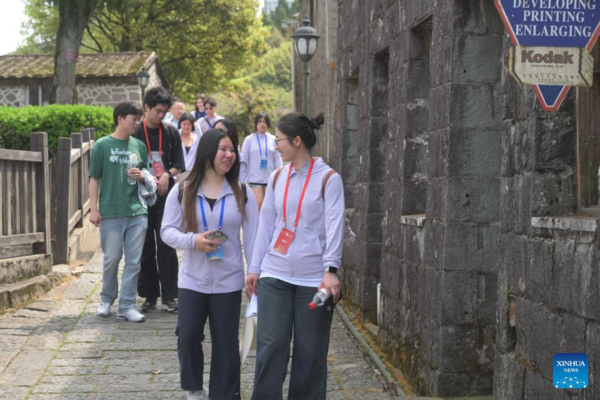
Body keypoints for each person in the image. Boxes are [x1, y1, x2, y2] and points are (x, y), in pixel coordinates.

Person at [247, 112, 345, 400]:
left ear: (297, 140)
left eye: (279, 140)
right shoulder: (277, 177)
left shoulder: (329, 179)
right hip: (274, 275)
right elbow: (266, 225)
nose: (276, 146)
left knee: (310, 353)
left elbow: (335, 225)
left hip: (314, 280)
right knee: (271, 348)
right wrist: (255, 269)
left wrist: (331, 270)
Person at [161, 129, 259, 400]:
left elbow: (253, 237)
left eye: (232, 150)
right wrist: (193, 241)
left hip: (228, 280)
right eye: (223, 149)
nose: (230, 155)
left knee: (227, 346)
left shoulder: (242, 191)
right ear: (207, 153)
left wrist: (254, 271)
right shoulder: (183, 189)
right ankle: (194, 389)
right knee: (188, 335)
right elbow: (167, 231)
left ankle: (225, 395)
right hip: (193, 279)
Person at [89, 101, 150, 323]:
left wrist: (143, 176)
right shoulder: (102, 146)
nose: (137, 122)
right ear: (120, 119)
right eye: (134, 118)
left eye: (138, 118)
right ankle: (106, 300)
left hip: (137, 211)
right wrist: (93, 209)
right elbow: (94, 178)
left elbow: (148, 175)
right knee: (112, 258)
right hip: (111, 212)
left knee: (134, 261)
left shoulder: (139, 146)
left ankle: (126, 305)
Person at [134, 87, 185, 313]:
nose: (161, 115)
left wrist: (167, 173)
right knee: (144, 246)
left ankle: (170, 295)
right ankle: (149, 295)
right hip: (141, 196)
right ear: (146, 108)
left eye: (164, 111)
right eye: (157, 111)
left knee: (166, 245)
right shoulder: (135, 132)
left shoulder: (171, 131)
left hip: (166, 196)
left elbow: (178, 164)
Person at [241, 112, 283, 210]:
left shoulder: (273, 139)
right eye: (259, 122)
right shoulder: (249, 140)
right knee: (258, 205)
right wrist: (243, 180)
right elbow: (244, 160)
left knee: (269, 207)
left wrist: (279, 176)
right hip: (254, 179)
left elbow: (278, 159)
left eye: (264, 122)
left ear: (268, 124)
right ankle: (258, 226)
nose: (262, 124)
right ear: (256, 124)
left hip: (270, 179)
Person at [214, 118, 248, 184]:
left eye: (222, 131)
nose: (217, 135)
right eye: (215, 131)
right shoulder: (207, 156)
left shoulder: (240, 159)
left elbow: (242, 183)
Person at [179, 112, 200, 176]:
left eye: (189, 124)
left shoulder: (196, 138)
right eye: (184, 124)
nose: (186, 126)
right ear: (180, 124)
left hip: (193, 174)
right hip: (178, 173)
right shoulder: (175, 136)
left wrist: (198, 128)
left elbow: (203, 143)